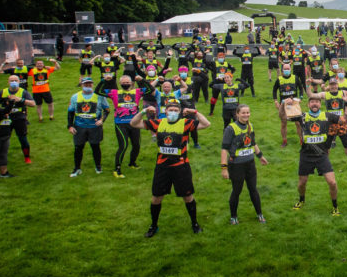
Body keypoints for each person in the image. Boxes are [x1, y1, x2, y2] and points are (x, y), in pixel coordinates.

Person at [131, 99, 211, 236]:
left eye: (176, 110)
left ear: (180, 112)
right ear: (165, 111)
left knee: (187, 196)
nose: (173, 112)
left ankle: (195, 224)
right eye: (170, 110)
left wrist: (195, 112)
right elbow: (133, 123)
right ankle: (153, 225)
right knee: (156, 197)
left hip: (181, 167)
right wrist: (144, 111)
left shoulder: (185, 123)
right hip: (162, 167)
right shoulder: (158, 123)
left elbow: (206, 124)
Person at [290, 94, 343, 215]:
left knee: (332, 182)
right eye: (312, 102)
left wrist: (346, 103)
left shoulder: (327, 116)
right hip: (306, 155)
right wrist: (285, 105)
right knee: (302, 183)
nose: (315, 104)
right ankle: (301, 200)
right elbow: (283, 117)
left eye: (317, 102)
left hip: (322, 155)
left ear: (320, 104)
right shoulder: (302, 116)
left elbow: (343, 121)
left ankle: (335, 207)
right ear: (308, 105)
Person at [220, 104, 269, 224]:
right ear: (237, 114)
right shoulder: (230, 128)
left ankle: (259, 214)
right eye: (243, 113)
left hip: (250, 164)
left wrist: (260, 156)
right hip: (236, 166)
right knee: (237, 191)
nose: (246, 115)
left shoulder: (250, 126)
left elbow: (252, 143)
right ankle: (233, 216)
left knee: (253, 189)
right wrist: (224, 168)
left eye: (248, 112)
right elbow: (224, 149)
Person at [97, 73, 150, 177]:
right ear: (120, 83)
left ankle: (132, 163)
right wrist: (104, 80)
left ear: (131, 83)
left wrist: (142, 80)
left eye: (127, 82)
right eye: (123, 82)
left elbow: (150, 89)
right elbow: (98, 91)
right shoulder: (114, 92)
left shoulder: (137, 92)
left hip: (135, 123)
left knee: (136, 145)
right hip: (121, 123)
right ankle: (117, 169)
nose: (126, 84)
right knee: (123, 145)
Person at [67, 77, 111, 177]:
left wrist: (102, 120)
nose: (88, 86)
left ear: (92, 84)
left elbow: (107, 110)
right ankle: (77, 168)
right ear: (82, 85)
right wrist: (70, 126)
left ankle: (98, 166)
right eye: (85, 84)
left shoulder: (99, 96)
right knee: (78, 148)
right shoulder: (75, 97)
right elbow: (70, 112)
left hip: (94, 127)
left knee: (95, 146)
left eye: (90, 84)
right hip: (79, 127)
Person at [1, 74, 36, 163]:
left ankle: (27, 157)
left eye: (16, 80)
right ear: (8, 82)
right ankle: (1, 157)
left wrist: (20, 100)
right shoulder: (2, 92)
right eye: (11, 80)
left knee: (22, 138)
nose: (13, 82)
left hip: (19, 118)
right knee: (3, 138)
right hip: (6, 119)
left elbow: (33, 104)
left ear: (19, 82)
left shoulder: (23, 92)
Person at [272, 62, 302, 147]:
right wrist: (276, 101)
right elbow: (274, 90)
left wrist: (301, 98)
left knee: (298, 123)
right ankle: (284, 141)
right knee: (283, 123)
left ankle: (301, 140)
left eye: (288, 69)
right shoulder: (279, 79)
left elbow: (300, 88)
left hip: (294, 104)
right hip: (283, 105)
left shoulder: (295, 78)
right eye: (285, 69)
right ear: (282, 70)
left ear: (290, 69)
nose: (286, 70)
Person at [28, 57, 61, 121]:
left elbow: (58, 68)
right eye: (38, 64)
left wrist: (55, 62)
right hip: (36, 91)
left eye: (41, 63)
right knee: (38, 105)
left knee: (50, 103)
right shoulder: (32, 70)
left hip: (46, 90)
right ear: (36, 65)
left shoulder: (47, 69)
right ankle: (40, 118)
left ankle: (51, 116)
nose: (40, 65)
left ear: (43, 64)